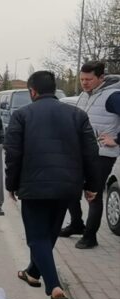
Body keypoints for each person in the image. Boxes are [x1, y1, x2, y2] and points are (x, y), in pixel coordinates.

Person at [4, 71, 100, 299]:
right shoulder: (78, 115)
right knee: (48, 235)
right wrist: (92, 186)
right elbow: (91, 153)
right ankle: (32, 272)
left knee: (37, 238)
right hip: (67, 187)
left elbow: (13, 155)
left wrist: (11, 184)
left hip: (34, 186)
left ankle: (55, 288)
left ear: (32, 91)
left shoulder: (22, 115)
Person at [59, 61, 120, 249]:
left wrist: (117, 140)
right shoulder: (85, 96)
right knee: (69, 188)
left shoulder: (113, 96)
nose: (84, 83)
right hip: (80, 152)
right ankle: (77, 224)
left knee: (93, 194)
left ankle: (90, 236)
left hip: (102, 154)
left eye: (89, 79)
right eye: (82, 79)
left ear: (101, 78)